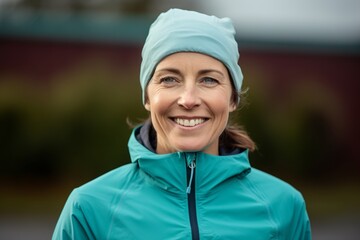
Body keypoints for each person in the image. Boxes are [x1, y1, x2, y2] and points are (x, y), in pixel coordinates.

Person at [52, 8, 311, 240]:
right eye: (169, 79)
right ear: (147, 97)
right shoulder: (89, 210)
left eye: (209, 80)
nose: (188, 99)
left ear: (232, 98)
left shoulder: (284, 208)